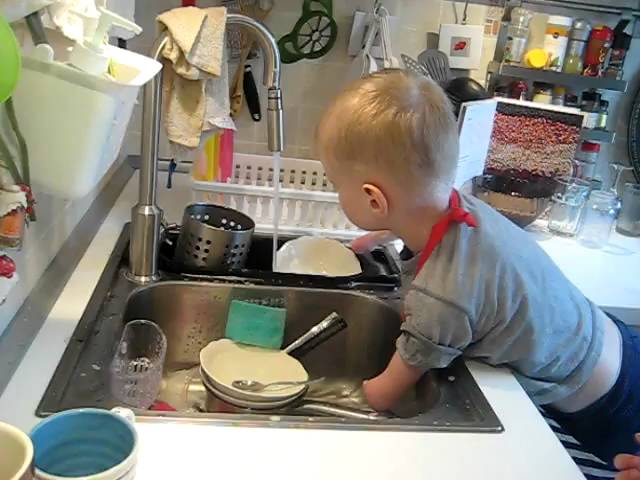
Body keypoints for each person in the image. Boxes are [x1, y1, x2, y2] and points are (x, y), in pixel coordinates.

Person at [314, 69, 640, 468]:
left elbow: (386, 393)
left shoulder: (441, 298)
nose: (334, 192)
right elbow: (419, 210)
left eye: (334, 184)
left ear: (374, 200)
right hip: (614, 345)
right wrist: (381, 234)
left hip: (605, 407)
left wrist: (321, 401)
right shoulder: (455, 207)